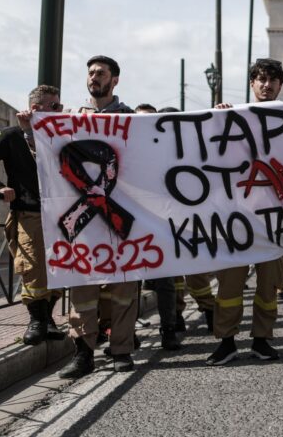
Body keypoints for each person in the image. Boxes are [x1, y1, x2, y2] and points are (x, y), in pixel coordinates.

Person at [60, 55, 141, 378]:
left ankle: (121, 350)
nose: (94, 77)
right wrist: (31, 132)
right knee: (82, 289)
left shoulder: (131, 118)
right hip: (85, 224)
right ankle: (83, 354)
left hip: (120, 219)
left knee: (123, 288)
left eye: (101, 73)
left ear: (115, 80)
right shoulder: (70, 118)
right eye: (91, 73)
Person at [206, 58, 283, 365]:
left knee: (269, 285)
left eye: (272, 80)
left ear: (280, 85)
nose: (266, 85)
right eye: (261, 80)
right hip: (237, 217)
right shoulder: (232, 117)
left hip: (275, 219)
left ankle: (261, 340)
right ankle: (226, 341)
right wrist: (217, 119)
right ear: (252, 84)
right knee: (229, 284)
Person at [1, 85, 66, 346]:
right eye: (54, 107)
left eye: (60, 107)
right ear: (36, 109)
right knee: (33, 267)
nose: (59, 111)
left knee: (58, 270)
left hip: (61, 215)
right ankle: (36, 321)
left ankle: (47, 319)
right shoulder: (10, 136)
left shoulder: (60, 135)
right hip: (29, 213)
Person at [133, 104, 181, 351]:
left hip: (161, 223)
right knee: (129, 282)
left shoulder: (167, 151)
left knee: (165, 281)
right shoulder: (128, 149)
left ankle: (169, 329)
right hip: (130, 225)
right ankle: (125, 333)